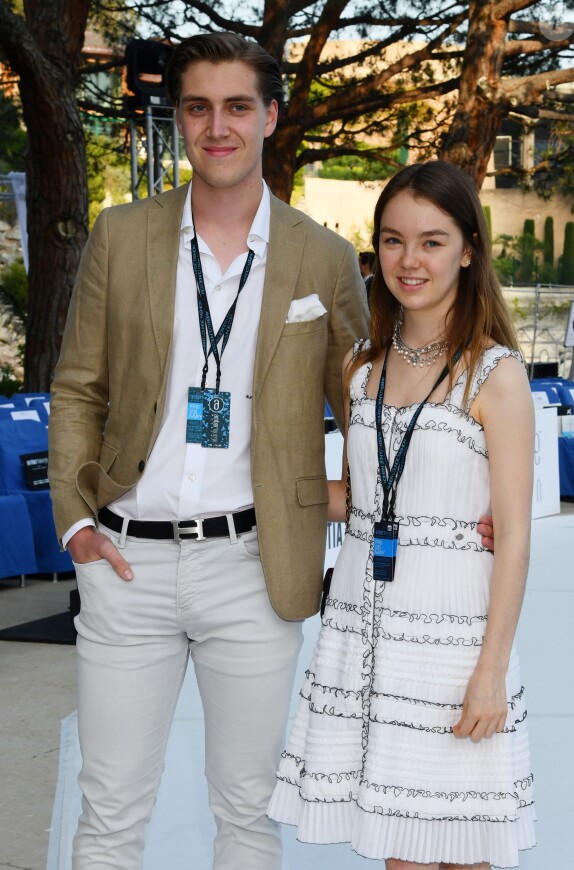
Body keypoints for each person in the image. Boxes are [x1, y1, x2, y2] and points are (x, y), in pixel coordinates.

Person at [47, 32, 370, 870]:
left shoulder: (325, 257)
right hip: (125, 566)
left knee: (249, 813)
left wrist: (358, 502)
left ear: (269, 116)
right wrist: (77, 525)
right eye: (198, 108)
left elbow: (367, 411)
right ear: (180, 119)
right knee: (110, 812)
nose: (216, 127)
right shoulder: (120, 237)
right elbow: (78, 387)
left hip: (255, 569)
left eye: (236, 107)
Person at [268, 160, 536, 869]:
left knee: (461, 851)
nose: (409, 260)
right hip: (365, 633)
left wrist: (491, 672)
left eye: (431, 241)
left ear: (469, 248)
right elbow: (363, 501)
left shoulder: (496, 375)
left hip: (453, 646)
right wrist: (252, 485)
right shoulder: (361, 367)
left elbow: (512, 540)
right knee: (401, 855)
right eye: (392, 240)